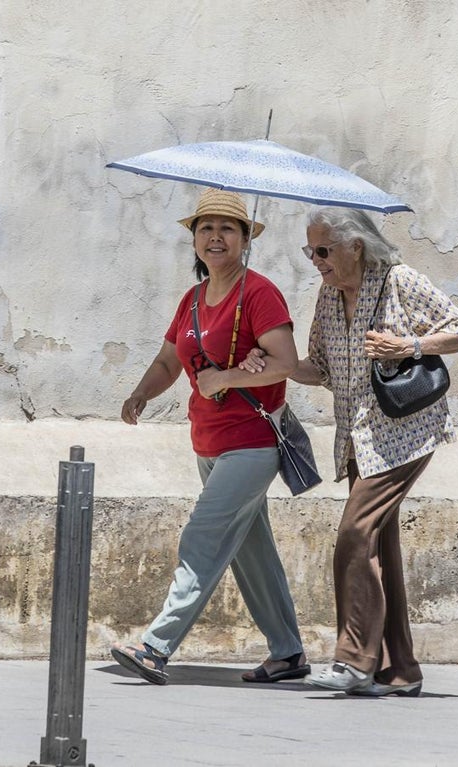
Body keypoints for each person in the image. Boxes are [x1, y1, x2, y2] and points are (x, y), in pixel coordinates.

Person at [241, 207, 458, 697]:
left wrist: (408, 346)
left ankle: (353, 661)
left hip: (403, 432)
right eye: (310, 251)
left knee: (353, 535)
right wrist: (273, 363)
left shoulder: (399, 281)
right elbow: (320, 368)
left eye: (323, 250)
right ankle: (399, 671)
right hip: (356, 438)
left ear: (356, 246)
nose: (316, 261)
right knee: (378, 549)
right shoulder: (328, 298)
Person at [110, 188, 310, 686]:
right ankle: (287, 653)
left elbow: (285, 363)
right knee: (250, 550)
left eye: (227, 228)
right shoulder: (193, 300)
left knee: (202, 536)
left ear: (245, 239)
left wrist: (226, 379)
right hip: (208, 442)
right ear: (195, 239)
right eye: (205, 228)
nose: (214, 237)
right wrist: (141, 394)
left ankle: (155, 646)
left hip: (252, 442)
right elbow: (168, 361)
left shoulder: (259, 293)